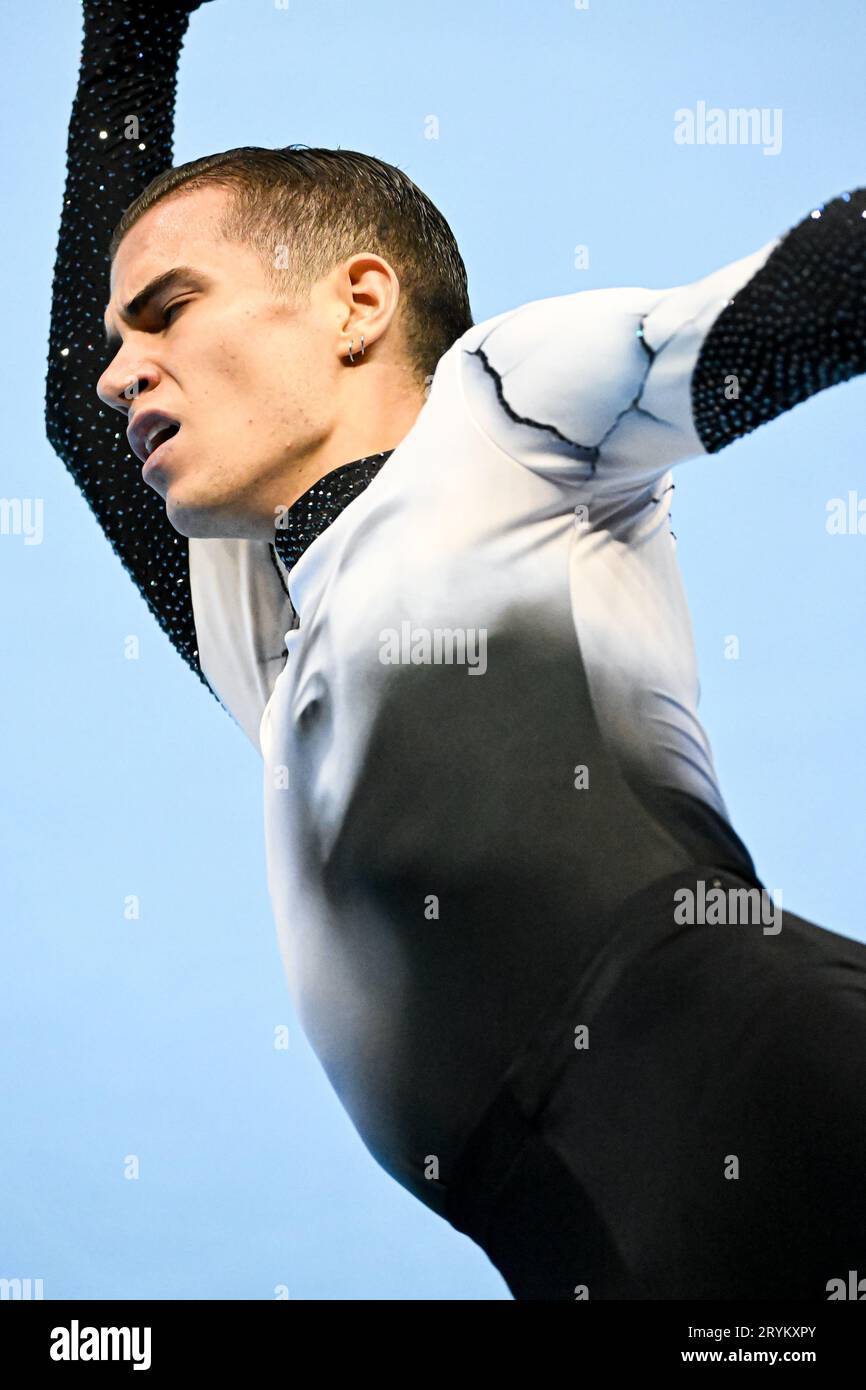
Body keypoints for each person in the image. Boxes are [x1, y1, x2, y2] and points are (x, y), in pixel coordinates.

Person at [45, 0, 866, 1300]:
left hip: (753, 1078)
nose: (114, 374)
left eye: (169, 308)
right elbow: (73, 420)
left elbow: (823, 288)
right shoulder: (279, 654)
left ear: (359, 301)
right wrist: (124, 28)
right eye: (117, 340)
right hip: (572, 1246)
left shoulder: (499, 409)